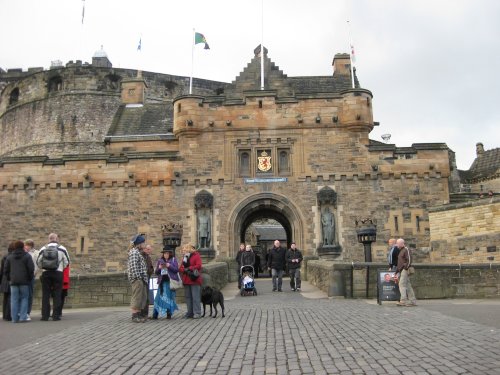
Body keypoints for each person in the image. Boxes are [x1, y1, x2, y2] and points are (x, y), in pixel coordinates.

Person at [37, 233, 70, 321]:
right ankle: (56, 315)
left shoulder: (43, 248)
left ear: (49, 239)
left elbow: (38, 261)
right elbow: (67, 261)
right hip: (58, 273)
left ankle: (45, 316)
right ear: (56, 239)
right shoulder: (62, 248)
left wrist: (43, 268)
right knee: (57, 294)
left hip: (46, 273)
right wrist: (61, 268)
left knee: (46, 294)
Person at [5, 240, 34, 323]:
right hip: (24, 281)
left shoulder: (10, 257)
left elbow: (6, 270)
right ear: (23, 246)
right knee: (25, 298)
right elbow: (31, 269)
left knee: (14, 299)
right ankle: (23, 317)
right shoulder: (27, 256)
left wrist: (9, 278)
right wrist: (29, 278)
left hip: (13, 281)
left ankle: (14, 318)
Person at [152, 249, 179, 319]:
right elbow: (156, 272)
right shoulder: (160, 261)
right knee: (158, 298)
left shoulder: (173, 260)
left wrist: (169, 265)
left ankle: (169, 313)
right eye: (164, 253)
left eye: (167, 253)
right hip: (162, 283)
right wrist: (159, 268)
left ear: (170, 254)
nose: (166, 255)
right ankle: (155, 314)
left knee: (169, 298)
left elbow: (176, 270)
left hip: (170, 282)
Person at [127, 235, 148, 323]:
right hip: (137, 279)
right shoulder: (134, 252)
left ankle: (138, 314)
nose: (144, 244)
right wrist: (138, 277)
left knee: (141, 297)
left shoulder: (137, 252)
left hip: (140, 279)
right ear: (139, 244)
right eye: (143, 242)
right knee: (137, 297)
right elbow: (133, 266)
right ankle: (135, 316)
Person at [179, 244, 202, 319]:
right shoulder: (185, 257)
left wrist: (189, 268)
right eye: (183, 250)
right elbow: (181, 268)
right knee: (188, 297)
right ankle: (190, 312)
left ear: (189, 249)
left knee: (195, 297)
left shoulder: (196, 255)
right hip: (186, 279)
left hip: (194, 279)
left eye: (185, 249)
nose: (184, 251)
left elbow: (198, 265)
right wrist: (184, 269)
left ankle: (197, 312)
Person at [396, 238, 417, 307]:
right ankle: (412, 301)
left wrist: (405, 268)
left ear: (402, 243)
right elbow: (400, 262)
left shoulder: (406, 249)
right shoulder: (401, 250)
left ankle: (403, 300)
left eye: (397, 243)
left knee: (401, 284)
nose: (397, 245)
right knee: (408, 285)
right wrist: (397, 271)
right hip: (402, 270)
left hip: (404, 270)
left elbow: (409, 259)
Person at [24, 239, 39, 320]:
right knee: (24, 295)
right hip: (23, 276)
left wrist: (35, 273)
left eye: (26, 245)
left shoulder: (36, 253)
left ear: (30, 246)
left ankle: (27, 312)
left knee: (29, 294)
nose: (25, 247)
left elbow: (38, 264)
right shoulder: (24, 253)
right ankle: (23, 311)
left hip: (31, 276)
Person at [1, 244, 14, 321]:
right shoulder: (12, 258)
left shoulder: (4, 257)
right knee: (10, 297)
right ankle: (8, 315)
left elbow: (2, 270)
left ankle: (5, 315)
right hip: (10, 278)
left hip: (4, 279)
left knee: (5, 298)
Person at [141, 244, 154, 318]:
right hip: (143, 278)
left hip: (148, 278)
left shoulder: (148, 257)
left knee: (146, 297)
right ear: (145, 249)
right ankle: (142, 313)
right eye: (148, 249)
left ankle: (145, 314)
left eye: (150, 249)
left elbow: (150, 267)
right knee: (143, 296)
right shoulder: (142, 256)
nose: (150, 251)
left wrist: (151, 271)